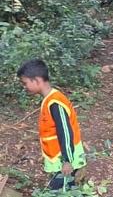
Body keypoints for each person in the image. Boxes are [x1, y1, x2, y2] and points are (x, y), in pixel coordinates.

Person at [17, 59, 86, 190]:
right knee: (62, 193)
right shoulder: (49, 100)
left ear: (37, 80)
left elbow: (65, 132)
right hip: (58, 160)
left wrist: (67, 160)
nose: (24, 87)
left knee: (60, 194)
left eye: (25, 83)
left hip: (65, 163)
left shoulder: (55, 103)